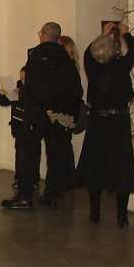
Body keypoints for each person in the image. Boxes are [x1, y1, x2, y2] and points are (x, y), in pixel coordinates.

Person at [3, 22, 82, 210]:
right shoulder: (66, 59)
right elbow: (75, 90)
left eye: (40, 33)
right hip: (59, 116)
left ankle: (24, 196)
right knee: (55, 156)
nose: (39, 36)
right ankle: (51, 195)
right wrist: (58, 109)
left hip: (36, 114)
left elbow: (35, 86)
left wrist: (40, 104)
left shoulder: (36, 56)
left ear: (45, 35)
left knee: (28, 155)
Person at [77, 22, 134, 227]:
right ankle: (122, 216)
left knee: (95, 166)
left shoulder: (92, 67)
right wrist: (126, 34)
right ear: (113, 51)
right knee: (122, 167)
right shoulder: (121, 66)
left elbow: (87, 53)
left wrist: (102, 34)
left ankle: (95, 213)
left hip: (97, 122)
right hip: (118, 122)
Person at [0, 67, 40, 197]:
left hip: (31, 127)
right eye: (21, 78)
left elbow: (34, 104)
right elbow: (5, 102)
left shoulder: (36, 89)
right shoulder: (18, 86)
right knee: (20, 154)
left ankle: (33, 180)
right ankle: (19, 178)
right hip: (18, 126)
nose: (22, 80)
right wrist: (1, 93)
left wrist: (20, 93)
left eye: (24, 78)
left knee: (33, 155)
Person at [57, 35, 81, 193]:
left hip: (65, 113)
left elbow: (75, 93)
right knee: (64, 146)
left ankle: (65, 181)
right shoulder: (71, 67)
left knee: (61, 147)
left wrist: (59, 107)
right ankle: (67, 180)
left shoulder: (68, 68)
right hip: (67, 112)